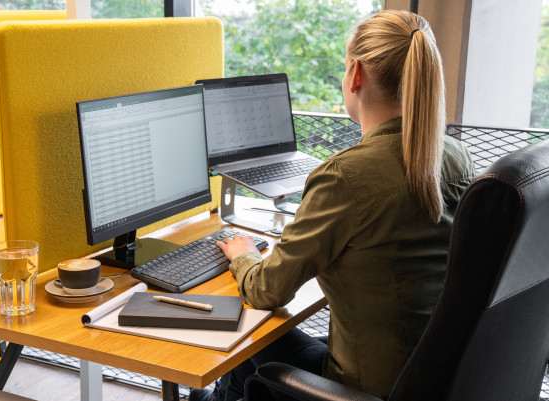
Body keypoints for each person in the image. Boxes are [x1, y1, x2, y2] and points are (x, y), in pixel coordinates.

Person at [190, 9, 476, 401]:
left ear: (355, 74)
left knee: (246, 337)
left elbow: (265, 290)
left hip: (366, 388)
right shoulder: (457, 157)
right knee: (245, 377)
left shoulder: (345, 177)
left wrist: (242, 255)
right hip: (441, 377)